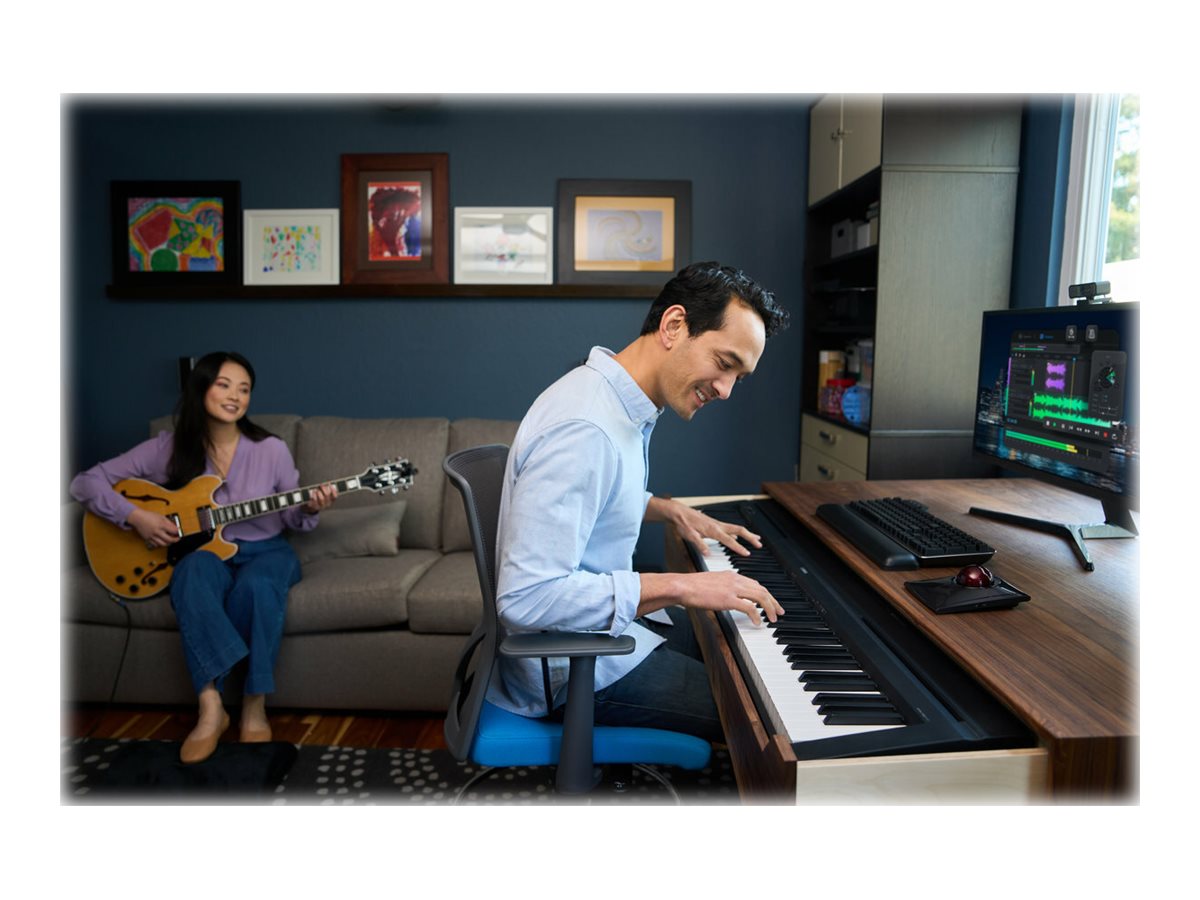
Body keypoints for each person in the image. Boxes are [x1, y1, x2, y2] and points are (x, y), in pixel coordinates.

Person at [491, 261, 790, 743]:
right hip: (570, 669)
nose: (726, 390)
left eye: (740, 376)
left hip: (596, 640)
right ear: (674, 325)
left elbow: (595, 492)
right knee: (768, 717)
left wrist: (669, 510)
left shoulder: (611, 401)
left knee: (735, 646)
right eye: (724, 363)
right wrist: (683, 587)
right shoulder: (586, 428)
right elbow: (527, 598)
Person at [70, 351, 337, 763]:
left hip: (267, 550)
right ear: (201, 389)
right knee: (191, 573)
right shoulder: (168, 448)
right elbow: (85, 483)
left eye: (244, 389)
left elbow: (291, 517)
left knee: (258, 586)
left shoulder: (271, 449)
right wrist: (137, 517)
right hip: (204, 552)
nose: (235, 396)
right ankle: (210, 707)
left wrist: (310, 507)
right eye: (224, 385)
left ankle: (253, 704)